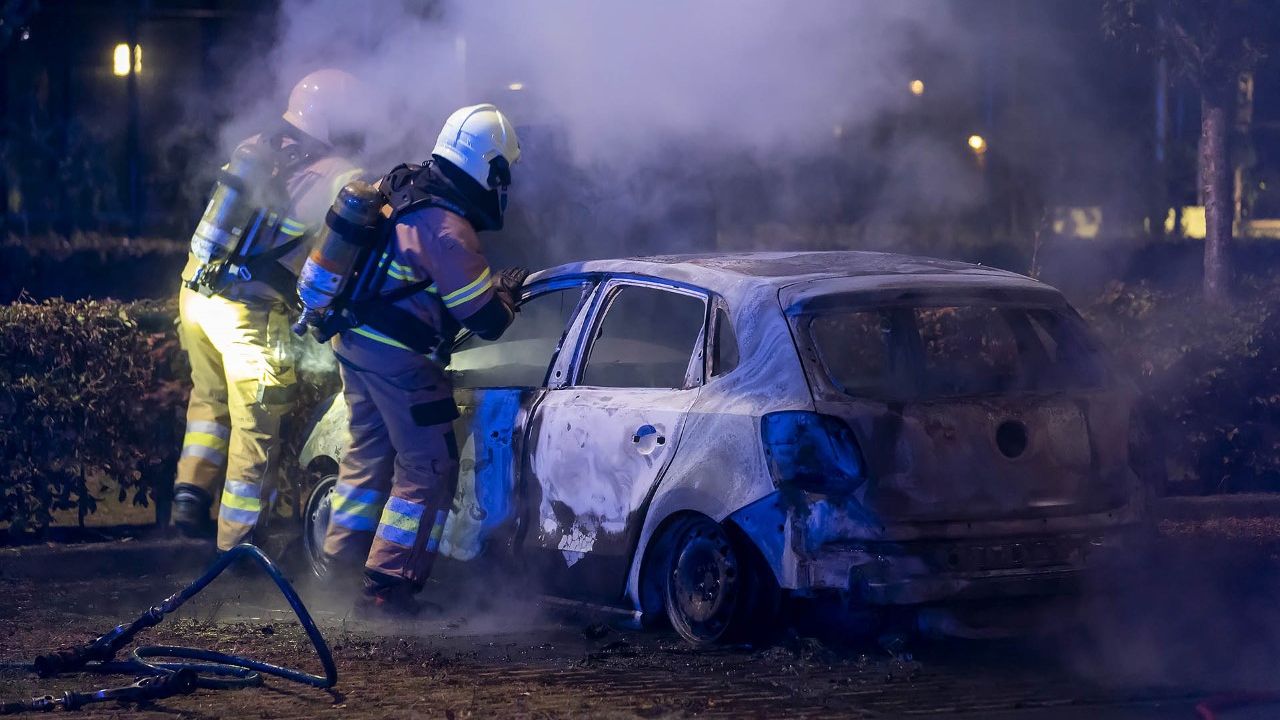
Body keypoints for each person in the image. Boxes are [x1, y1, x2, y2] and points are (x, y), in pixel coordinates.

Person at [320, 103, 525, 614]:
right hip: (400, 361)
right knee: (429, 464)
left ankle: (337, 568)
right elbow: (485, 319)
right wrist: (506, 293)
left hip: (354, 344)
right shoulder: (448, 230)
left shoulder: (400, 187)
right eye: (503, 174)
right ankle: (389, 585)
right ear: (489, 169)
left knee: (368, 452)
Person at [172, 68, 365, 553]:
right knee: (256, 429)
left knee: (209, 397)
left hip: (196, 291)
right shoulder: (341, 176)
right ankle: (238, 547)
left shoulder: (255, 146)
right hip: (245, 312)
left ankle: (190, 491)